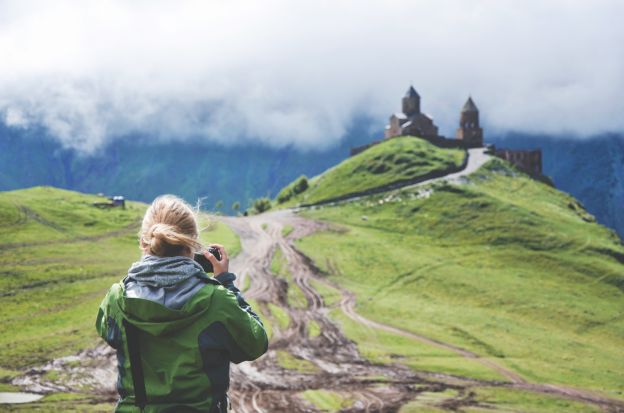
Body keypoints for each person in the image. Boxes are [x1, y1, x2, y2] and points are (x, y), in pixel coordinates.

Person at [96, 195, 268, 412]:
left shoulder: (117, 299)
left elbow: (108, 332)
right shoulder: (217, 299)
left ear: (144, 242)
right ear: (192, 244)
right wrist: (226, 283)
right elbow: (255, 344)